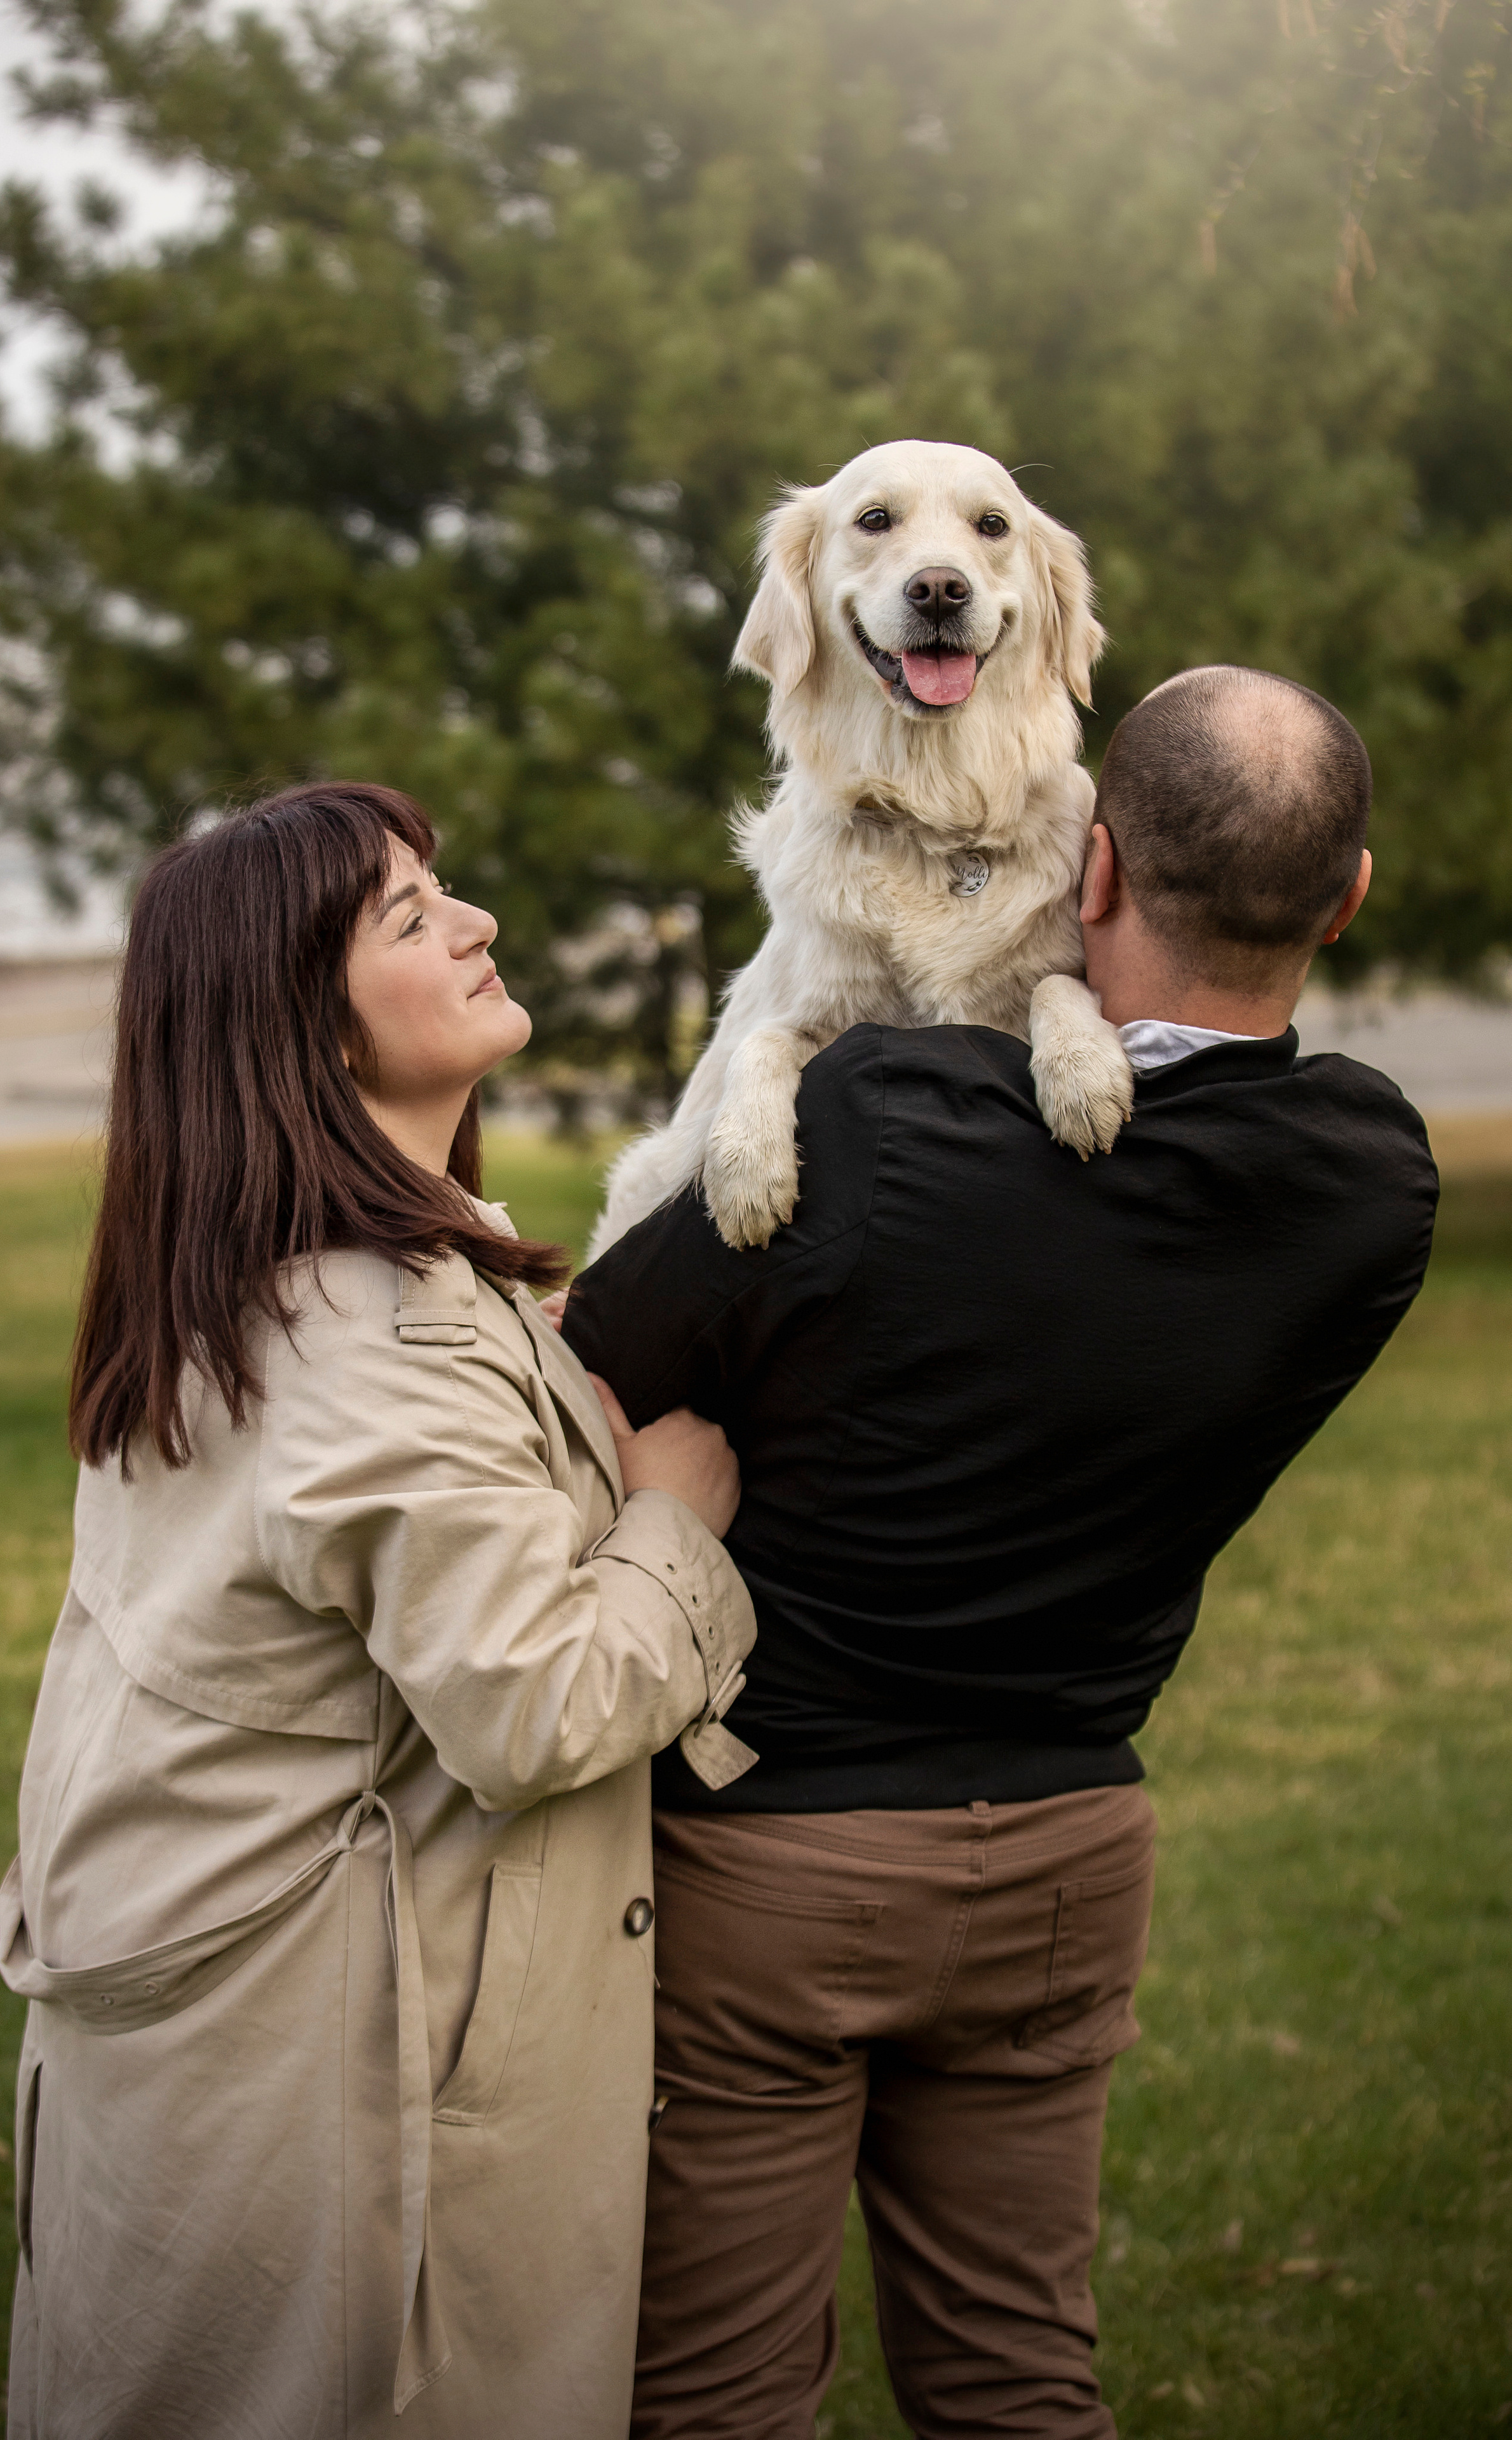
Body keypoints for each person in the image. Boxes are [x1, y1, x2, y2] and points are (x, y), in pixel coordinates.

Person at [562, 668, 1439, 2440]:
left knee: (718, 2400)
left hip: (776, 1862)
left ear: (1091, 871)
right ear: (1348, 900)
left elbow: (604, 1343)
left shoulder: (877, 1122)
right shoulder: (1367, 1183)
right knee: (1023, 2386)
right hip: (1068, 1851)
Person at [0, 781, 757, 2440]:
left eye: (446, 890)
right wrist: (675, 1528)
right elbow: (537, 1704)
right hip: (321, 2101)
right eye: (411, 919)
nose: (476, 921)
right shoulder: (366, 1345)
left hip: (210, 2060)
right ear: (312, 1042)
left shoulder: (249, 1278)